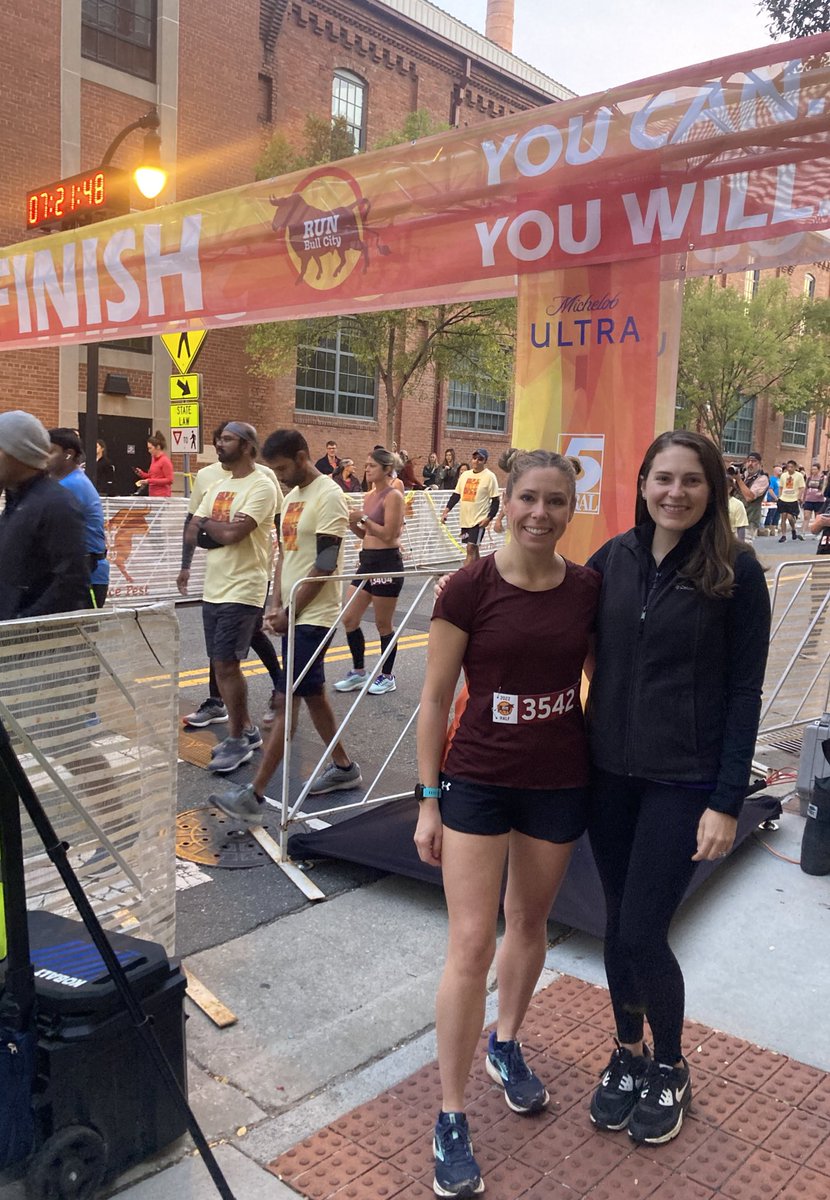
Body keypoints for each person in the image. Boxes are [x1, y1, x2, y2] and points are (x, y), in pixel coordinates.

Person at [415, 448, 598, 1199]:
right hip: (480, 781)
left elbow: (604, 680)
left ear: (570, 508)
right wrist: (428, 798)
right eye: (528, 497)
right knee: (469, 941)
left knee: (529, 924)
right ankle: (451, 1115)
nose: (540, 513)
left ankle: (508, 1042)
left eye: (556, 501)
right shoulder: (470, 586)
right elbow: (433, 700)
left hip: (558, 780)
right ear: (505, 501)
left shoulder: (588, 589)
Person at [585, 430, 770, 1147]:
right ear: (641, 482)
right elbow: (547, 609)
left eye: (692, 480)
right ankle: (626, 1052)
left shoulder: (737, 570)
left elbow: (745, 693)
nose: (675, 492)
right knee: (612, 923)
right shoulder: (614, 560)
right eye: (663, 478)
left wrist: (726, 799)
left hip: (682, 780)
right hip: (607, 775)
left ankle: (669, 1064)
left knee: (641, 931)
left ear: (713, 488)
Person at [211, 429, 361, 821]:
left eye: (281, 468)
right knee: (312, 694)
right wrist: (276, 602)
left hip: (316, 616)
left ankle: (255, 795)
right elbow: (285, 559)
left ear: (301, 456)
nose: (278, 477)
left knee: (286, 702)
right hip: (296, 613)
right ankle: (344, 768)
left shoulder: (329, 496)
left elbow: (325, 565)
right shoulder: (292, 497)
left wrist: (291, 611)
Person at [184, 422, 278, 774]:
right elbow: (194, 530)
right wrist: (213, 529)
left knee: (226, 663)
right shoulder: (219, 485)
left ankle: (239, 738)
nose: (219, 444)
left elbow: (237, 532)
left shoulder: (262, 486)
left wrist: (212, 527)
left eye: (226, 439)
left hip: (244, 586)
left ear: (248, 446)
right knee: (220, 662)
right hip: (215, 586)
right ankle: (247, 730)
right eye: (219, 438)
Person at [0, 411, 89, 619]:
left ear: (18, 454)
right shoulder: (16, 502)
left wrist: (22, 624)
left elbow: (72, 584)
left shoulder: (56, 504)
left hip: (30, 643)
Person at [334, 449, 406, 696]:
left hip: (387, 562)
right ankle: (358, 671)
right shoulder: (369, 495)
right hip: (367, 561)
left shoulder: (393, 495)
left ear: (387, 469)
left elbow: (389, 534)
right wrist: (354, 522)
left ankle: (387, 676)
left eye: (372, 466)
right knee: (350, 618)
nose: (367, 470)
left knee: (382, 623)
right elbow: (367, 534)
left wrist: (363, 517)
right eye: (365, 466)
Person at [47, 429, 110, 608]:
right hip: (76, 573)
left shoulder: (71, 486)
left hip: (86, 576)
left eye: (50, 451)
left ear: (68, 455)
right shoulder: (68, 482)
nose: (44, 457)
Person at [440, 449, 501, 566]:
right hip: (465, 520)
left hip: (479, 520)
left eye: (480, 459)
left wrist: (489, 518)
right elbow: (456, 495)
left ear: (485, 461)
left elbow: (495, 501)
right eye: (474, 458)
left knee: (470, 548)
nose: (476, 461)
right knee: (474, 549)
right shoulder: (465, 475)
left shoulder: (490, 476)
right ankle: (479, 576)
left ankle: (464, 579)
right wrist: (446, 511)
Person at [732, 451, 769, 541]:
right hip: (734, 519)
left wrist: (739, 480)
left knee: (743, 548)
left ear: (760, 464)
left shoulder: (762, 479)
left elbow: (749, 497)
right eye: (748, 461)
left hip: (748, 520)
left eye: (753, 461)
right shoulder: (742, 475)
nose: (750, 464)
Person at [135, 431, 174, 497]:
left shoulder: (165, 461)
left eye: (150, 448)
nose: (149, 451)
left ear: (158, 447)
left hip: (162, 495)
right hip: (153, 494)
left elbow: (169, 480)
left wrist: (149, 481)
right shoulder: (153, 459)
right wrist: (142, 474)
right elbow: (153, 476)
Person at [777, 459, 806, 541]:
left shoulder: (799, 476)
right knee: (783, 517)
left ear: (795, 467)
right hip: (784, 498)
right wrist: (780, 497)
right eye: (788, 467)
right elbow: (781, 487)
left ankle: (793, 529)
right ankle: (783, 535)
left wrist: (798, 497)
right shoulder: (783, 475)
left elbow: (802, 487)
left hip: (793, 499)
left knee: (790, 517)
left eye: (791, 467)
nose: (789, 469)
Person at [801, 461, 827, 537]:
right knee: (806, 516)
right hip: (809, 499)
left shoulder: (822, 478)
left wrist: (821, 493)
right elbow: (806, 488)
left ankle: (817, 533)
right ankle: (803, 533)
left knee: (817, 517)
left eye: (815, 469)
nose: (813, 471)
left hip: (818, 500)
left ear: (818, 470)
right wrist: (803, 498)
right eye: (812, 469)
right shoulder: (809, 478)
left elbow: (824, 487)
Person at [762, 465, 782, 535]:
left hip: (780, 499)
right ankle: (767, 526)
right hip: (772, 499)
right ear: (775, 471)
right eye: (780, 470)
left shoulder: (780, 480)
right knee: (771, 513)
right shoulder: (772, 479)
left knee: (777, 514)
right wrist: (775, 498)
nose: (781, 472)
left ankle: (774, 526)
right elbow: (770, 489)